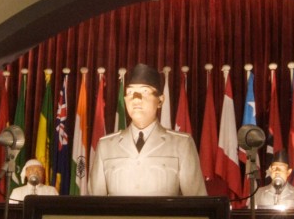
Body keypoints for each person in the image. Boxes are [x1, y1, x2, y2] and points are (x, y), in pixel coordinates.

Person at [88, 63, 206, 197]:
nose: (136, 99)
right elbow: (94, 207)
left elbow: (197, 206)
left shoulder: (181, 145)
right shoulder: (106, 146)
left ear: (160, 100)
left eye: (144, 91)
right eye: (130, 92)